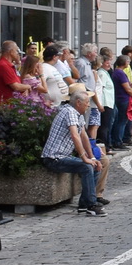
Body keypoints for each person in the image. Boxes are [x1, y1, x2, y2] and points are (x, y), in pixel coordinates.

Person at [41, 87, 103, 216]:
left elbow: (84, 136)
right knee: (86, 167)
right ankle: (91, 205)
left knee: (95, 166)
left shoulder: (77, 114)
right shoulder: (69, 112)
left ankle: (84, 204)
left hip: (63, 156)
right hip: (54, 158)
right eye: (86, 103)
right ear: (78, 103)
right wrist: (83, 157)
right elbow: (75, 135)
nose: (87, 106)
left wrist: (92, 157)